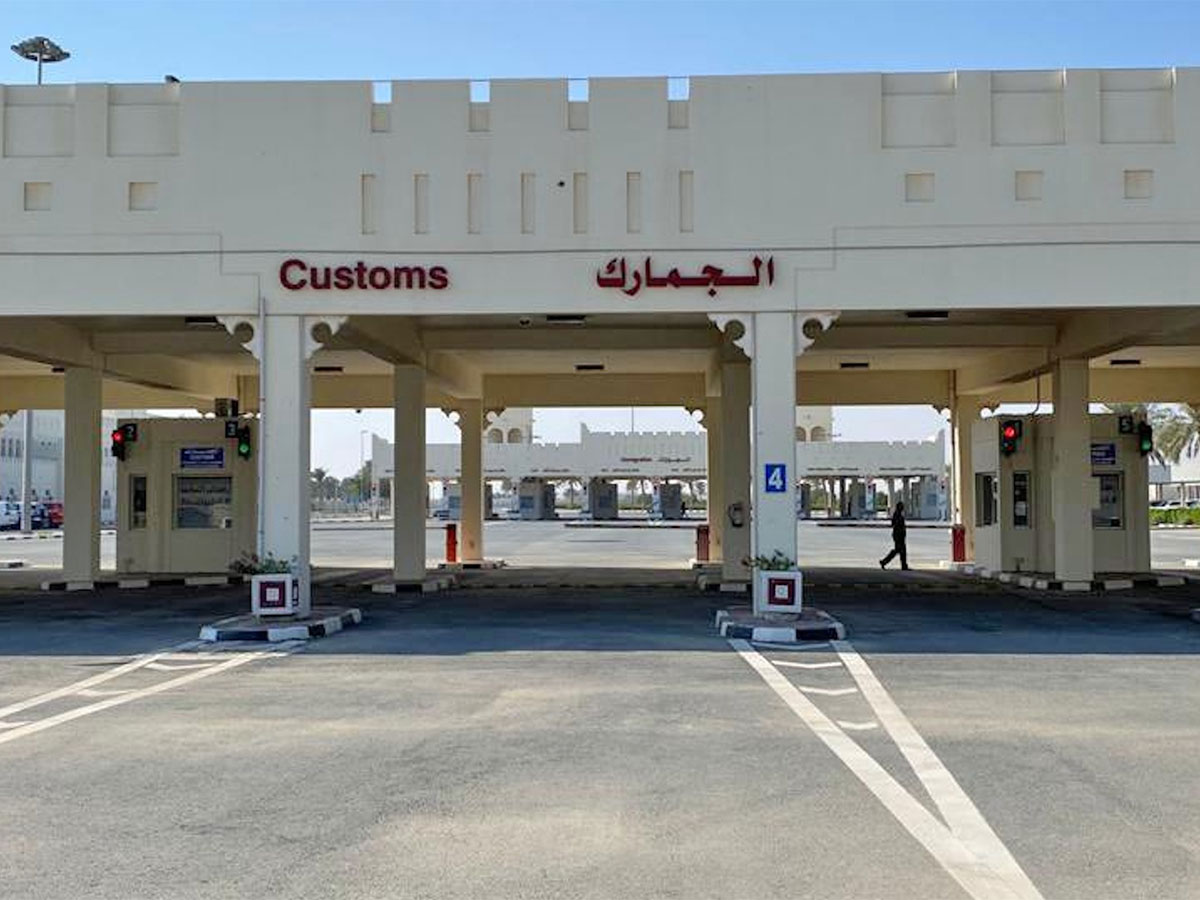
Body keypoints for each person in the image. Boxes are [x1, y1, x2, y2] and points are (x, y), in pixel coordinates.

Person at [879, 501, 909, 570]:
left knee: (901, 551)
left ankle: (903, 565)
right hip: (898, 535)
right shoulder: (897, 515)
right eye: (902, 507)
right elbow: (896, 525)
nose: (903, 508)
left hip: (899, 535)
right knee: (899, 550)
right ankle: (884, 562)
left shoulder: (898, 514)